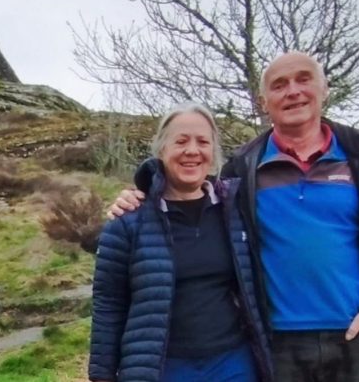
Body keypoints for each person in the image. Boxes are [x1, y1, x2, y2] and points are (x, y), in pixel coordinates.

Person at [109, 52, 359, 381]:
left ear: (324, 89)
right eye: (279, 85)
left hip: (356, 336)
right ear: (263, 102)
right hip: (275, 343)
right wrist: (139, 196)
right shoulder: (241, 170)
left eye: (303, 79)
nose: (292, 91)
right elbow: (190, 195)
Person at [89, 102, 272, 382]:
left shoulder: (237, 210)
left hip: (233, 363)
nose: (192, 150)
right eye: (181, 141)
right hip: (163, 368)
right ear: (162, 149)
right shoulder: (127, 222)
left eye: (203, 142)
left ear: (213, 153)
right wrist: (102, 374)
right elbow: (109, 301)